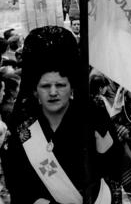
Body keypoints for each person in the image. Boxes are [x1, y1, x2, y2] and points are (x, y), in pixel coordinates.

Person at [1, 26, 121, 204]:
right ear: (34, 90)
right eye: (45, 86)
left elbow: (113, 168)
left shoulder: (92, 117)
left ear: (72, 86)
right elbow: (16, 180)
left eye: (60, 85)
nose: (53, 92)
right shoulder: (22, 127)